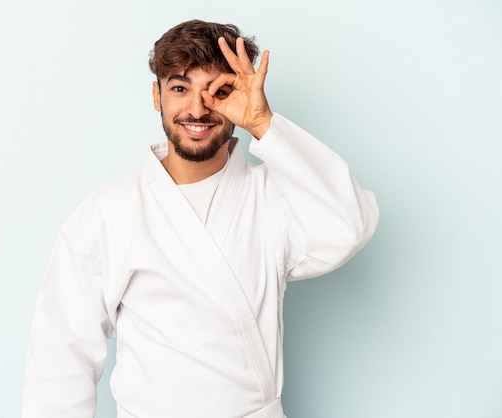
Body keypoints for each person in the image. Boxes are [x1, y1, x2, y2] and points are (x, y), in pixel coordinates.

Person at [23, 19, 379, 418]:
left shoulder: (274, 199)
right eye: (180, 88)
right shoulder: (107, 214)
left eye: (219, 91)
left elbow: (350, 227)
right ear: (157, 95)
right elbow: (59, 359)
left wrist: (264, 124)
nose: (197, 108)